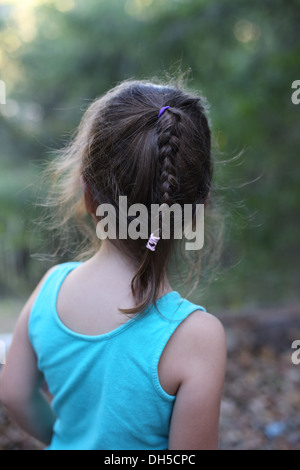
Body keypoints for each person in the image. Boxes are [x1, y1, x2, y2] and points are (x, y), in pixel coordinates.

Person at [0, 80, 226, 450]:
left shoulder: (51, 289)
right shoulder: (198, 337)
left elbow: (13, 393)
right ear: (197, 211)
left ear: (88, 196)